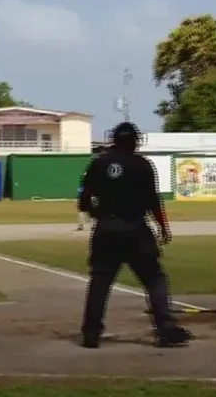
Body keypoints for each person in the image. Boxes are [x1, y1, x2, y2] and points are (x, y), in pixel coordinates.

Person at [78, 121, 193, 349]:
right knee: (154, 278)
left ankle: (91, 333)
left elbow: (84, 198)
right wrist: (163, 227)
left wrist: (96, 214)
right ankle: (166, 328)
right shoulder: (142, 165)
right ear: (135, 141)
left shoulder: (99, 163)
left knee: (100, 281)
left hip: (106, 228)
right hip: (136, 229)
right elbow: (153, 201)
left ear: (114, 139)